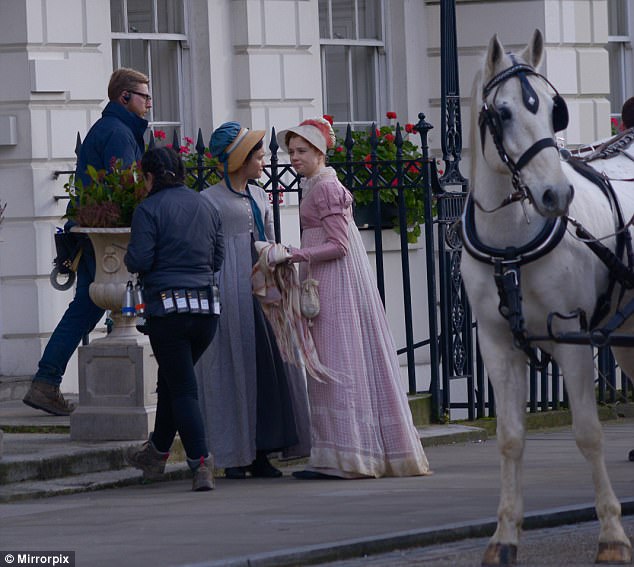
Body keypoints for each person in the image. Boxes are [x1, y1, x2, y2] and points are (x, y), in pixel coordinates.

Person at [276, 117, 431, 479]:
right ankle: (335, 455)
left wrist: (297, 254)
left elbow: (339, 246)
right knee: (330, 359)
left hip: (333, 282)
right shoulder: (316, 184)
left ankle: (348, 457)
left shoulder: (327, 188)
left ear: (319, 152)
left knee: (335, 359)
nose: (293, 158)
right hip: (323, 278)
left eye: (301, 151)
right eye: (292, 151)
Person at [23, 68, 152, 416]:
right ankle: (48, 381)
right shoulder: (119, 133)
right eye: (144, 96)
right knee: (94, 304)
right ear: (124, 97)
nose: (149, 104)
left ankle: (47, 381)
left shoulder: (113, 129)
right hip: (106, 236)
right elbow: (126, 187)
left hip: (94, 230)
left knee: (90, 305)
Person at [194, 122, 310, 479]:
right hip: (228, 288)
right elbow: (203, 250)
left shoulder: (260, 195)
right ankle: (235, 454)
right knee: (233, 369)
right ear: (238, 158)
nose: (263, 159)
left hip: (263, 289)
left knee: (268, 368)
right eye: (256, 154)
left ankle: (262, 450)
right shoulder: (208, 200)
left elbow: (271, 238)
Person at [124, 146, 224, 492]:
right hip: (207, 312)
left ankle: (201, 463)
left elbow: (138, 259)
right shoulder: (206, 205)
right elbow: (217, 258)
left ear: (149, 176)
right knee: (171, 383)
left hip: (167, 311)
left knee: (181, 388)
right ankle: (155, 456)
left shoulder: (148, 210)